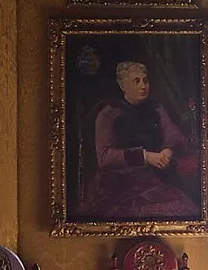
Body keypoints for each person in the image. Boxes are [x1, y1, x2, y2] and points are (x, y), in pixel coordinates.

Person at [82, 60, 199, 219]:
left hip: (154, 178)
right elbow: (105, 157)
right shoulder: (109, 113)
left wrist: (168, 150)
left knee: (187, 209)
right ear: (122, 86)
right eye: (136, 81)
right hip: (119, 184)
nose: (143, 86)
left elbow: (175, 136)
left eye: (145, 80)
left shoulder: (156, 108)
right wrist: (146, 156)